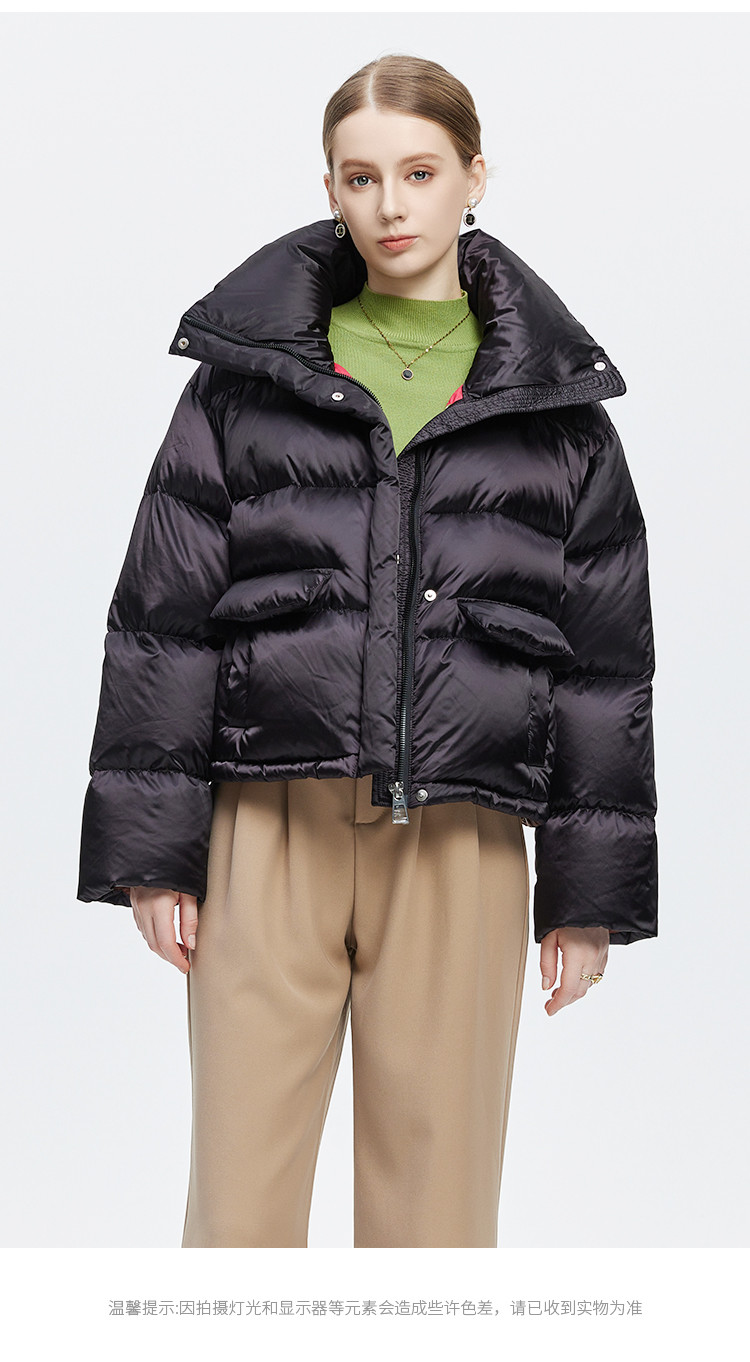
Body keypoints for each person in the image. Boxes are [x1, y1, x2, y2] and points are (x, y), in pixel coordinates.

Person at [77, 53, 658, 1248]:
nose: (391, 205)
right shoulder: (245, 384)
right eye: (361, 177)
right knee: (237, 1210)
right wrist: (153, 855)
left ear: (474, 177)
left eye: (420, 172)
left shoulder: (558, 413)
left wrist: (588, 895)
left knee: (437, 1223)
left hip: (464, 840)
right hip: (266, 828)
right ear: (332, 188)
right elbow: (162, 617)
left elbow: (605, 667)